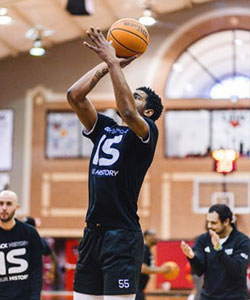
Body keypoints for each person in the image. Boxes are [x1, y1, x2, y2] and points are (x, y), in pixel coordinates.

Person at [67, 26, 163, 300]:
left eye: (138, 96)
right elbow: (74, 96)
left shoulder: (146, 133)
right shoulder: (106, 128)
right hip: (92, 233)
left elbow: (127, 110)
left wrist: (112, 60)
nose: (132, 95)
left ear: (148, 112)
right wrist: (105, 66)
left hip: (122, 236)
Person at [181, 204, 249, 300]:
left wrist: (218, 249)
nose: (209, 226)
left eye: (213, 223)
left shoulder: (242, 241)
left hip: (235, 297)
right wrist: (192, 257)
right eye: (208, 222)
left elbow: (238, 270)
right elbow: (199, 271)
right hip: (208, 297)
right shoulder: (203, 240)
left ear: (226, 221)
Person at [0, 190, 43, 300]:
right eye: (1, 203)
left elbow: (37, 269)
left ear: (17, 207)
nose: (4, 208)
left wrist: (35, 297)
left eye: (9, 204)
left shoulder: (30, 233)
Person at [135, 229, 171, 300]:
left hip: (140, 289)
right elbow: (142, 268)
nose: (155, 237)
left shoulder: (148, 251)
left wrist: (161, 268)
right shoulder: (144, 250)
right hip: (136, 289)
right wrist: (160, 270)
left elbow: (149, 267)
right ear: (146, 237)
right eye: (153, 235)